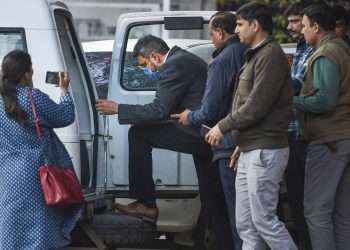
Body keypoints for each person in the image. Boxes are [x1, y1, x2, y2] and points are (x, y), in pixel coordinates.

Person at [95, 34, 235, 249]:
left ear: (154, 56)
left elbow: (159, 110)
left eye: (145, 65)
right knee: (212, 200)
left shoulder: (174, 65)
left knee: (139, 134)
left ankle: (146, 204)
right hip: (207, 136)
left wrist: (118, 109)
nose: (148, 70)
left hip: (200, 133)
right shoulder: (184, 59)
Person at [205, 3, 297, 249]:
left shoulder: (270, 55)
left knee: (264, 221)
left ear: (255, 25)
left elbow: (256, 106)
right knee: (246, 225)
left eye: (240, 24)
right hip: (249, 148)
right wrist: (241, 143)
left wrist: (222, 126)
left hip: (265, 150)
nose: (236, 30)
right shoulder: (256, 54)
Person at [171, 11, 247, 250]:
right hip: (248, 140)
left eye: (212, 34)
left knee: (234, 214)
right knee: (250, 215)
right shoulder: (249, 52)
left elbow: (209, 112)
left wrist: (188, 116)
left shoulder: (222, 60)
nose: (212, 39)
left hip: (227, 143)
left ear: (220, 32)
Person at [0, 50, 80, 249]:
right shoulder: (32, 97)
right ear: (27, 73)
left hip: (7, 176)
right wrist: (64, 91)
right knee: (41, 223)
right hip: (38, 174)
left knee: (11, 221)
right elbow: (64, 117)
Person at [294, 3, 350, 250]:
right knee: (340, 214)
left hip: (329, 140)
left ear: (315, 27)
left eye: (303, 26)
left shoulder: (326, 53)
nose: (301, 31)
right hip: (341, 139)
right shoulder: (342, 48)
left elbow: (325, 100)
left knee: (316, 213)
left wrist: (289, 100)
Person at [283, 1, 313, 249]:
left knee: (307, 203)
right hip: (292, 134)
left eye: (295, 21)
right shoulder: (302, 48)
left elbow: (297, 85)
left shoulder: (316, 50)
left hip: (305, 136)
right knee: (295, 200)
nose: (291, 26)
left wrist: (277, 76)